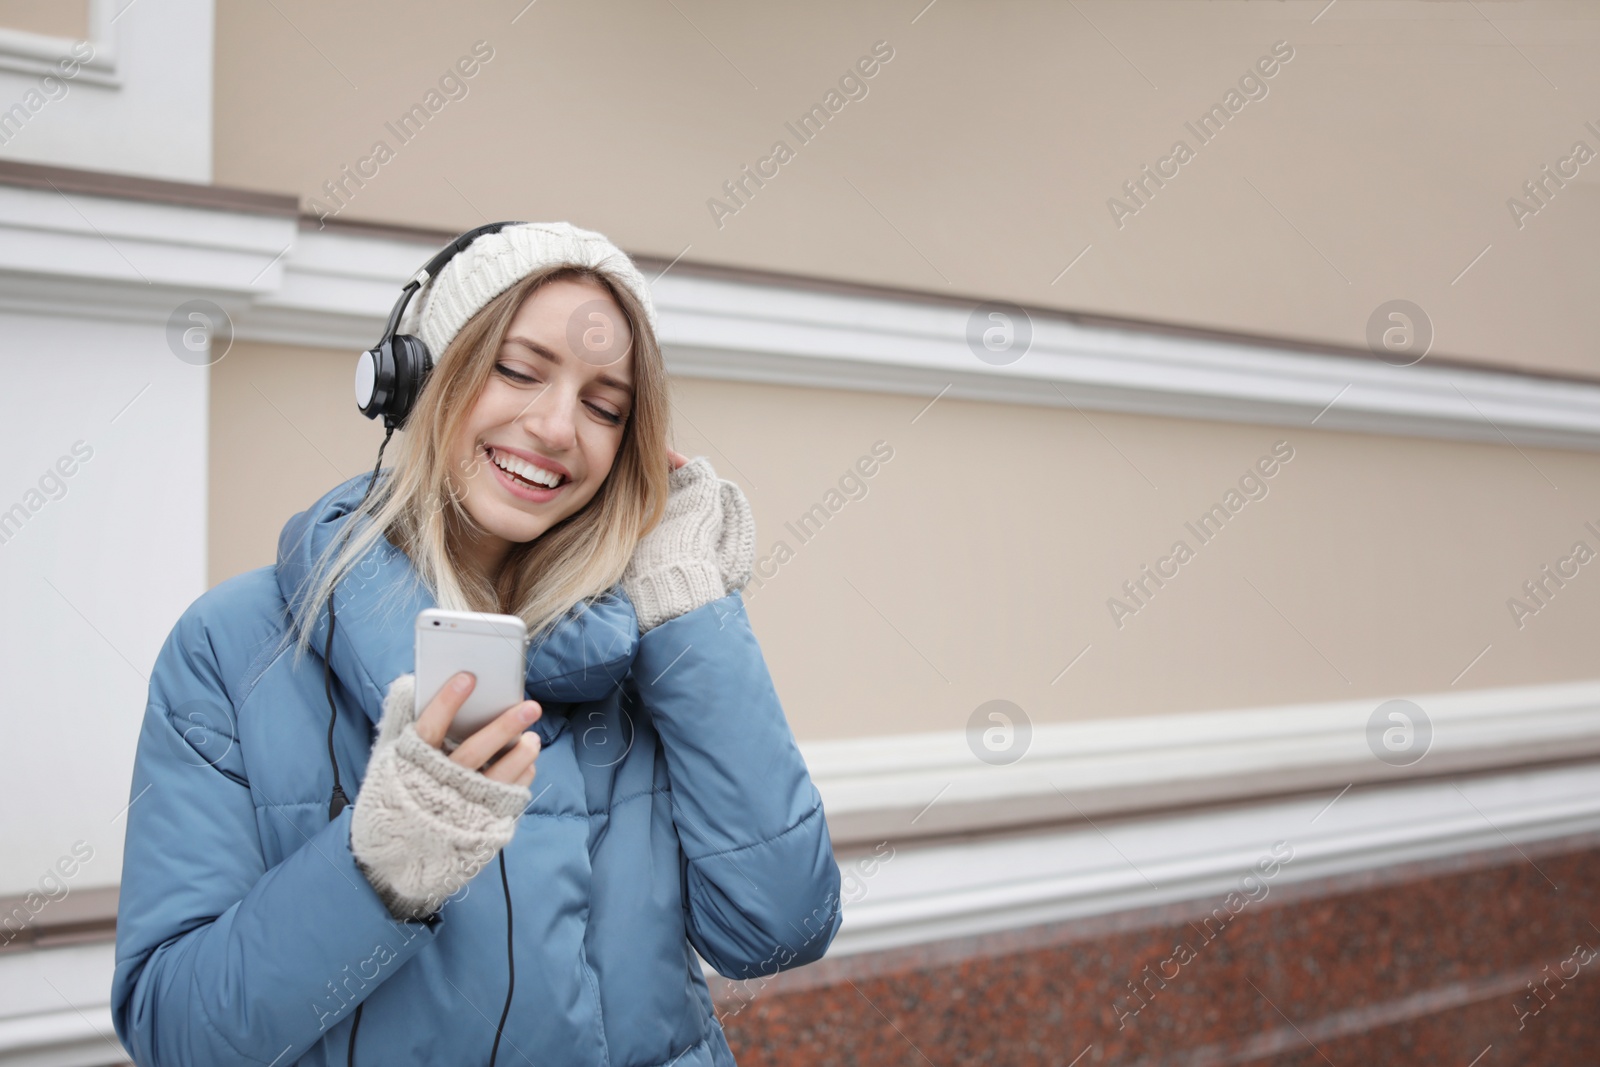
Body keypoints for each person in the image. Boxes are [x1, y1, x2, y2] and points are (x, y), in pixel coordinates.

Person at [110, 222, 843, 1066]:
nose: (560, 425)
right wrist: (376, 871)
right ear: (416, 376)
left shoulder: (654, 640)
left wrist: (687, 607)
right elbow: (178, 1031)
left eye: (606, 406)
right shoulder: (232, 647)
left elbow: (778, 930)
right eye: (519, 369)